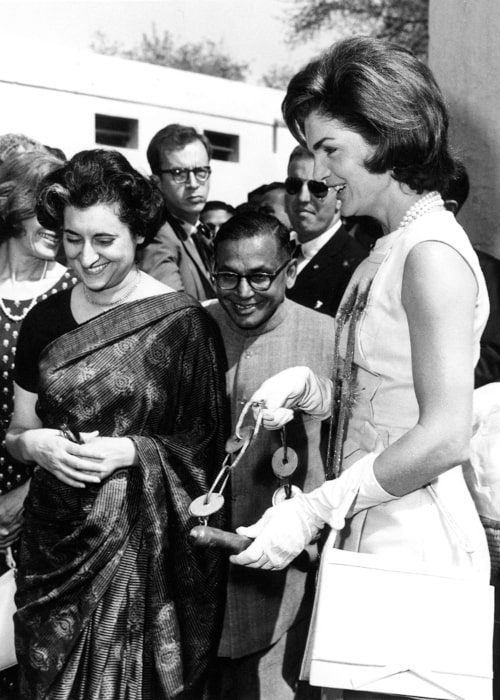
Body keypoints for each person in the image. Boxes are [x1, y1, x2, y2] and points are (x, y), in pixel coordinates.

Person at [231, 36, 491, 700]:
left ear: (386, 137)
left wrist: (314, 509)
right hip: (372, 520)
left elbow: (442, 435)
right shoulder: (389, 246)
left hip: (415, 534)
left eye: (330, 150)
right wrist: (314, 391)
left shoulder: (432, 253)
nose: (317, 175)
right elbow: (389, 390)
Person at [6, 149, 228, 700]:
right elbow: (17, 430)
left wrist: (134, 452)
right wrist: (32, 445)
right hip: (54, 551)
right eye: (73, 239)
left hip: (141, 556)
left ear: (137, 236)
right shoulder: (45, 321)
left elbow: (209, 449)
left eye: (105, 240)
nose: (86, 257)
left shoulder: (182, 325)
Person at [204, 211, 334, 699]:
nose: (242, 292)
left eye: (260, 276)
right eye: (227, 276)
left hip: (289, 577)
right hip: (198, 579)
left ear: (291, 269)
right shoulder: (192, 329)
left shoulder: (330, 337)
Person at [0, 150, 77, 700]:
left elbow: (87, 415)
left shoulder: (73, 295)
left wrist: (26, 494)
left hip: (45, 505)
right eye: (45, 210)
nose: (58, 225)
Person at [284, 145, 367, 316]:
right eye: (294, 185)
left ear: (339, 196)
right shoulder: (278, 252)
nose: (303, 198)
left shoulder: (357, 269)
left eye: (317, 188)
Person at [138, 123, 216, 300]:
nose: (193, 184)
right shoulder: (158, 237)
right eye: (179, 173)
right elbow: (171, 312)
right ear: (157, 182)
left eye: (200, 171)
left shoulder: (197, 230)